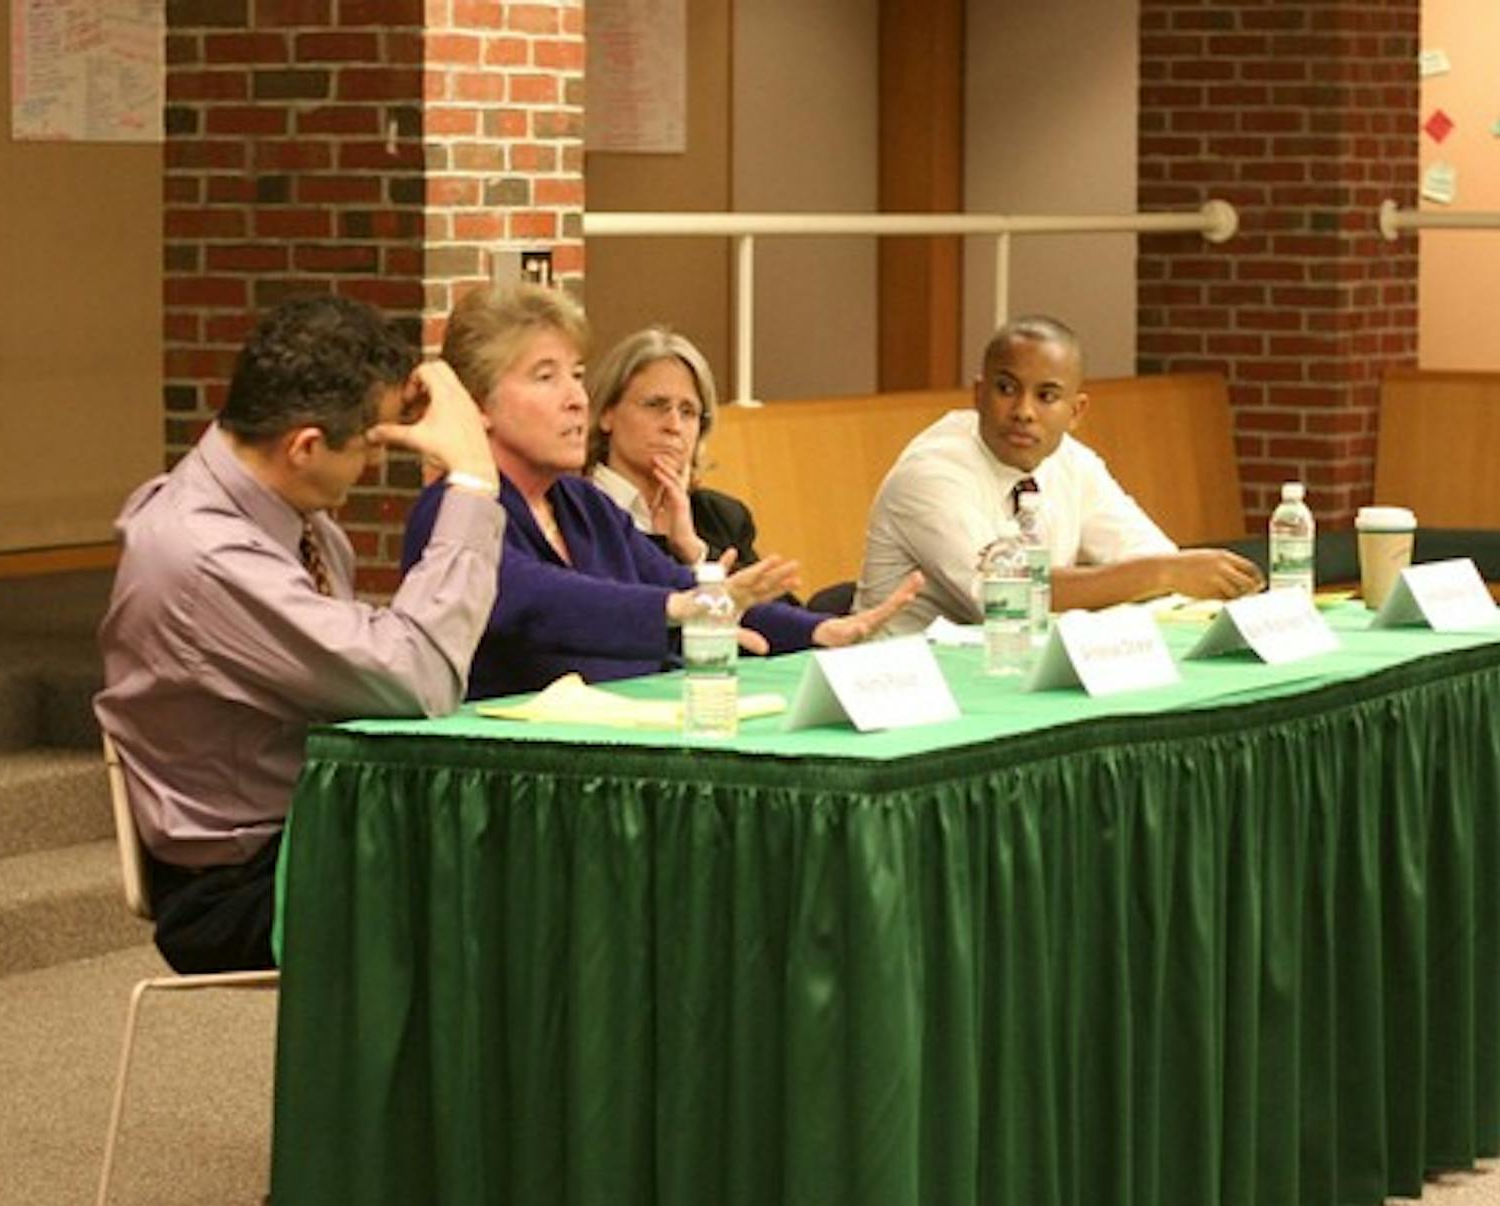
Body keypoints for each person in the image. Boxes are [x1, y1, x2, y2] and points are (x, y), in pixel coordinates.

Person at [94, 294, 507, 978]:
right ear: (306, 445)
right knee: (519, 897)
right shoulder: (204, 555)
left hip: (316, 829)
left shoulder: (287, 518)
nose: (376, 464)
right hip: (243, 881)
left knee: (536, 858)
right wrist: (472, 481)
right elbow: (418, 678)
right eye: (374, 443)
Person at [400, 282, 919, 699]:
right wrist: (678, 610)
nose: (576, 398)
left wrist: (818, 632)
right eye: (545, 377)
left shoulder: (584, 506)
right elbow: (540, 600)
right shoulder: (451, 511)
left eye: (577, 375)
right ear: (478, 403)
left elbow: (687, 590)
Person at [854, 314, 1262, 635]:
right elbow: (1006, 597)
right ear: (978, 394)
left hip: (1008, 669)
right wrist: (1160, 574)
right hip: (899, 681)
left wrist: (1172, 572)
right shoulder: (932, 471)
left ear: (1076, 411)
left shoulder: (1072, 461)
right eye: (1006, 389)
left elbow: (1146, 554)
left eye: (1046, 396)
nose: (1023, 411)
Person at [585, 325, 765, 569]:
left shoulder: (720, 517)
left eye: (688, 412)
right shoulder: (573, 510)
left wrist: (694, 552)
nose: (674, 425)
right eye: (655, 405)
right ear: (607, 413)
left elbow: (779, 605)